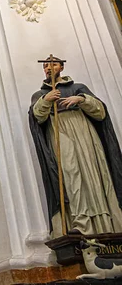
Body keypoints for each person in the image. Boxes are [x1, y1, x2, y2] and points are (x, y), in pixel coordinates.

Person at [29, 57, 122, 236]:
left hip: (84, 133)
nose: (49, 68)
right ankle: (80, 222)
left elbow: (100, 112)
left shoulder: (78, 87)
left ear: (62, 67)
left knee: (93, 173)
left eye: (53, 64)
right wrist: (46, 100)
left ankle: (106, 222)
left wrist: (81, 99)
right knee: (71, 175)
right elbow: (37, 117)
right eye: (46, 66)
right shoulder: (39, 94)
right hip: (58, 133)